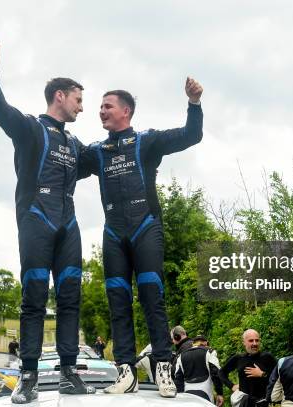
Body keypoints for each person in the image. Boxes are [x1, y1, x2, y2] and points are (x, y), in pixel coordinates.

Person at [0, 44, 95, 402]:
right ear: (59, 96)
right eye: (78, 99)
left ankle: (68, 373)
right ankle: (27, 376)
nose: (82, 106)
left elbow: (111, 161)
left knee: (70, 299)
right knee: (33, 299)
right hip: (35, 219)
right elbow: (0, 111)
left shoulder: (76, 145)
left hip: (69, 226)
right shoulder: (30, 129)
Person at [78, 77, 204, 397]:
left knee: (151, 297)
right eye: (99, 106)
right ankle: (125, 371)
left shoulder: (147, 141)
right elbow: (64, 161)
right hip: (113, 233)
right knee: (118, 302)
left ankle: (162, 366)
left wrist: (194, 104)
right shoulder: (97, 151)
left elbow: (191, 135)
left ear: (126, 111)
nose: (101, 111)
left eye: (107, 106)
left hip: (146, 226)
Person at [218, 329, 276, 407]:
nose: (255, 343)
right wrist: (232, 386)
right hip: (245, 403)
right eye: (251, 341)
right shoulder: (239, 358)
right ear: (244, 343)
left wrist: (262, 374)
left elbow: (279, 377)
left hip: (264, 402)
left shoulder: (267, 357)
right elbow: (221, 372)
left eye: (257, 340)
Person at [173, 335, 224, 406]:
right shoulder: (210, 352)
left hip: (187, 393)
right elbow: (216, 374)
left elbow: (178, 379)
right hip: (205, 392)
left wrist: (179, 398)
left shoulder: (181, 356)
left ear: (193, 344)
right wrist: (220, 393)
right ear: (206, 343)